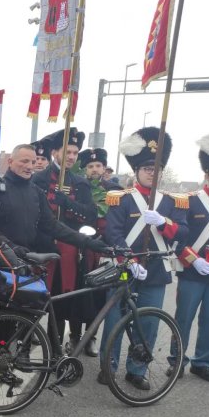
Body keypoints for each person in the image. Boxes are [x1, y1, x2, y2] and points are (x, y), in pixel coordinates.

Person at [0, 144, 109, 375]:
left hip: (21, 262)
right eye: (23, 161)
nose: (29, 166)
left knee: (9, 316)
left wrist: (89, 242)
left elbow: (53, 226)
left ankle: (1, 362)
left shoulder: (35, 192)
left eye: (32, 162)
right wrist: (7, 245)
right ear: (10, 162)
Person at [101, 127, 189, 389]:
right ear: (137, 171)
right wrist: (129, 261)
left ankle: (137, 369)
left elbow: (182, 234)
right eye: (148, 168)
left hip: (156, 272)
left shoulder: (173, 202)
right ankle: (109, 366)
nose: (153, 172)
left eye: (157, 168)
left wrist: (164, 222)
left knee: (148, 324)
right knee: (114, 321)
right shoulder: (122, 200)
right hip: (125, 270)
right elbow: (113, 235)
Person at [171, 131, 209, 383]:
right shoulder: (189, 202)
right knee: (184, 318)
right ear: (207, 174)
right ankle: (177, 361)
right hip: (193, 271)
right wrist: (193, 259)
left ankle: (203, 362)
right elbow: (177, 239)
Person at [33, 128, 97, 347]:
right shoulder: (39, 179)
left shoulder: (80, 182)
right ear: (55, 153)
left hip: (67, 251)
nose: (71, 157)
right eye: (67, 151)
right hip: (40, 247)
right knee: (31, 301)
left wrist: (67, 203)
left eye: (75, 153)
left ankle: (54, 346)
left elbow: (90, 214)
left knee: (59, 302)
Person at [74, 147, 121, 356]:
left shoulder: (115, 190)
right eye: (90, 166)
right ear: (85, 169)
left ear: (104, 168)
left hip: (104, 249)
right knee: (78, 291)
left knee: (99, 295)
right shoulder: (77, 187)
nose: (94, 169)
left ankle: (90, 336)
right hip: (82, 246)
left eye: (98, 166)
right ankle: (74, 337)